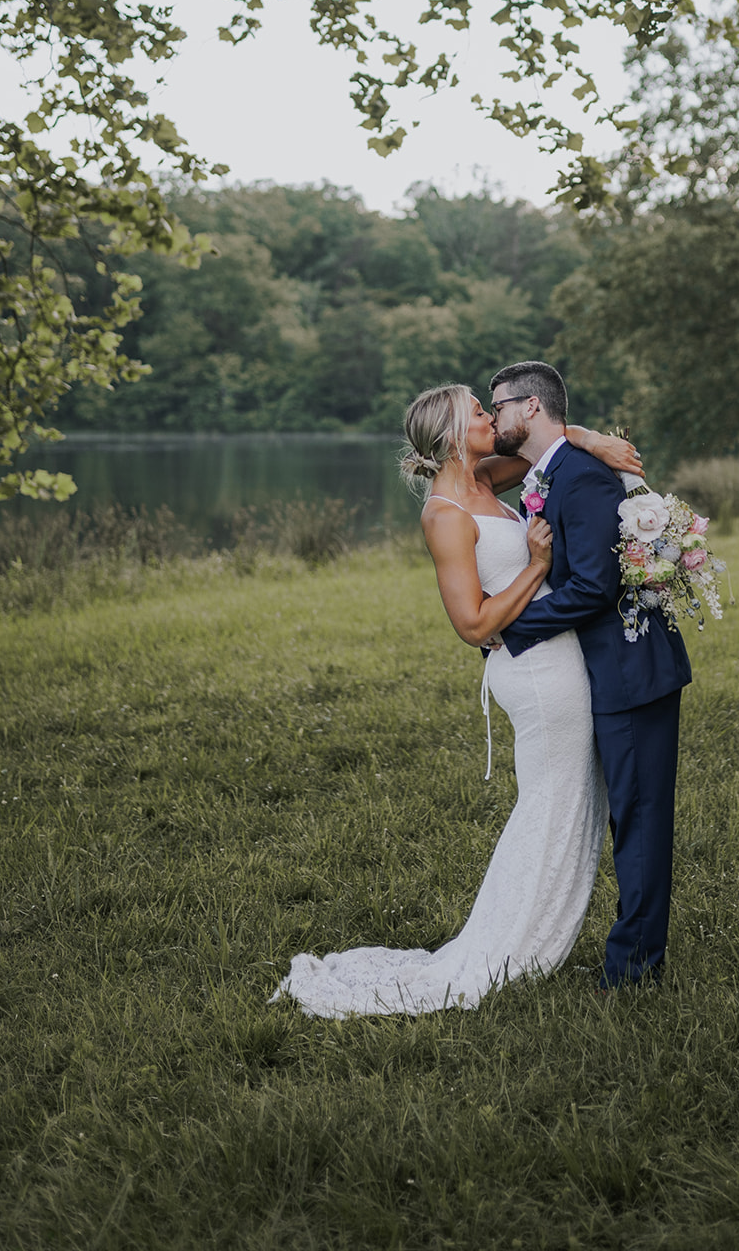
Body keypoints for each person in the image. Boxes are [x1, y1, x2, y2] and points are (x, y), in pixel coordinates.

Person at [270, 382, 640, 1017]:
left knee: (570, 795)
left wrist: (590, 438)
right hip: (531, 672)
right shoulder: (445, 512)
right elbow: (472, 625)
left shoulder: (486, 479)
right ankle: (510, 949)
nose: (489, 419)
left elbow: (543, 449)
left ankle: (532, 935)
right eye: (477, 412)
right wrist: (534, 564)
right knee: (552, 799)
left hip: (554, 655)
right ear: (450, 433)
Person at [493, 360, 691, 989]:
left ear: (528, 408)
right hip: (610, 671)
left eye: (497, 405)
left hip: (632, 671)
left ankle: (634, 971)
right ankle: (633, 954)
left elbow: (594, 589)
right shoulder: (554, 469)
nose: (493, 417)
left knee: (638, 820)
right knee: (627, 816)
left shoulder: (578, 480)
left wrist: (511, 627)